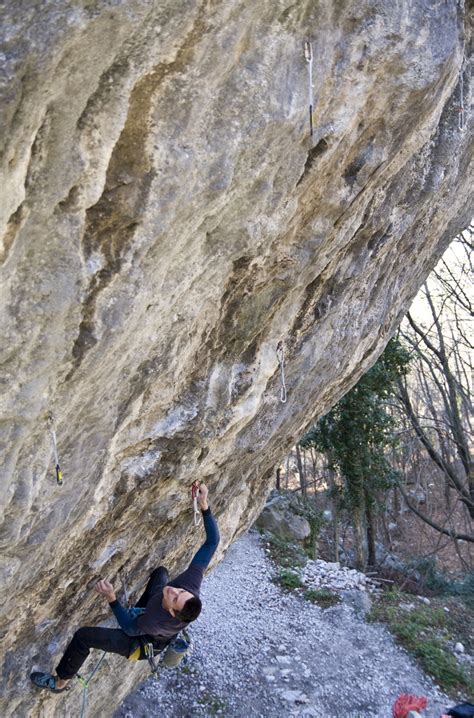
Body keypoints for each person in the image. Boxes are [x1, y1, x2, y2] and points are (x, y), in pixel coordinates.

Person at [31, 482, 219, 693]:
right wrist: (204, 505)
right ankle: (140, 608)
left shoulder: (154, 623)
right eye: (180, 592)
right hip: (150, 615)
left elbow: (129, 629)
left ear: (173, 612)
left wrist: (112, 598)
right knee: (161, 574)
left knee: (84, 636)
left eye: (175, 598)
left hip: (139, 644)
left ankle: (60, 681)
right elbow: (212, 542)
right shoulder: (190, 584)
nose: (174, 591)